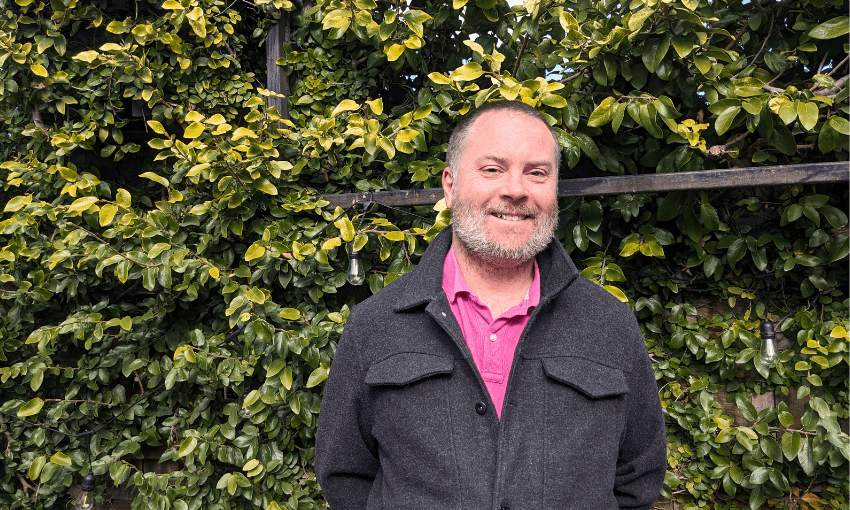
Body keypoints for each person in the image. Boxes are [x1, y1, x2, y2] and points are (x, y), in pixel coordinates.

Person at [315, 100, 667, 510]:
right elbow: (346, 476)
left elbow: (638, 479)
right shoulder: (375, 325)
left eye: (536, 173)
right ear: (450, 186)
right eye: (492, 169)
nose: (515, 189)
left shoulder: (609, 325)